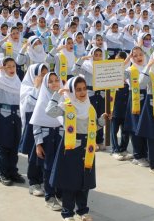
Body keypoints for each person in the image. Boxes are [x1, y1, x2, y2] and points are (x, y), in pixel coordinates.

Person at [46, 76, 108, 221]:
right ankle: (68, 213)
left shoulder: (90, 107)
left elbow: (93, 127)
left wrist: (102, 121)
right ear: (72, 91)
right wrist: (58, 95)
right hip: (71, 149)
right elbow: (49, 111)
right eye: (78, 89)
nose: (82, 92)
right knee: (70, 182)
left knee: (84, 181)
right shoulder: (67, 106)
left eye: (84, 89)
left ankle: (82, 211)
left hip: (88, 149)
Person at [0, 57, 24, 186]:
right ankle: (4, 173)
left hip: (16, 116)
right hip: (3, 117)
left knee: (14, 147)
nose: (11, 69)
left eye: (13, 66)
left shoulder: (18, 82)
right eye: (8, 66)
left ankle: (13, 172)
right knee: (4, 147)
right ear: (3, 68)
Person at [30, 72, 64, 211]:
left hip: (61, 137)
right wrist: (38, 144)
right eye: (51, 81)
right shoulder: (43, 100)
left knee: (61, 166)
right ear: (46, 84)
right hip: (47, 138)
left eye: (57, 80)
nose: (55, 83)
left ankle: (60, 193)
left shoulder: (64, 98)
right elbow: (37, 123)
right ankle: (50, 197)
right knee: (48, 168)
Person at [19, 63, 48, 196]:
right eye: (41, 74)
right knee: (34, 153)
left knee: (46, 152)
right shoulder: (27, 87)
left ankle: (44, 180)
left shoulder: (48, 87)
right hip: (33, 124)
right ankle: (33, 182)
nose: (44, 77)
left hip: (46, 123)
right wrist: (37, 86)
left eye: (46, 74)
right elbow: (30, 103)